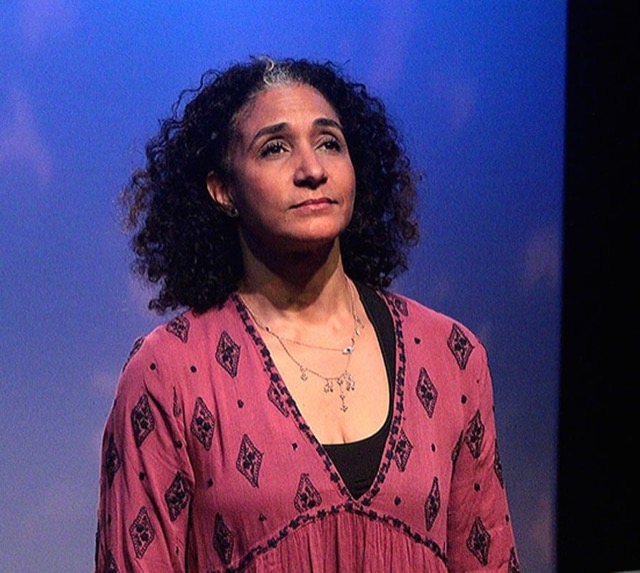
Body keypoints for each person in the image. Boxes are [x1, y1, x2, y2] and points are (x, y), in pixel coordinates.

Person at [95, 56, 520, 572]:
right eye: (275, 148)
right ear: (223, 190)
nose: (312, 170)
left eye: (329, 143)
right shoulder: (170, 372)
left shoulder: (450, 357)